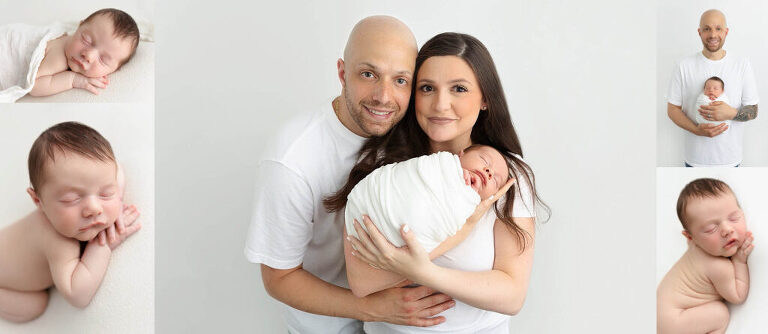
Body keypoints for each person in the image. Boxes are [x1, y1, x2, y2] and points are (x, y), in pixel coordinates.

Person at [244, 16, 458, 333]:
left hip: (398, 322)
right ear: (343, 73)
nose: (384, 96)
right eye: (368, 74)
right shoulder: (292, 160)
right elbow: (279, 279)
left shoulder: (419, 128)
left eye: (400, 80)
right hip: (328, 326)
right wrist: (372, 309)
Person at [328, 32, 545, 333]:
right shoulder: (384, 170)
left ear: (485, 98)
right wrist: (457, 235)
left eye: (458, 89)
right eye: (427, 88)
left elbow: (511, 295)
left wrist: (423, 272)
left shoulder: (504, 177)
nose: (441, 105)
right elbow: (363, 283)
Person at [0, 122, 141, 322]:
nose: (94, 208)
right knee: (33, 306)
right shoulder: (58, 241)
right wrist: (102, 246)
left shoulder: (98, 184)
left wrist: (117, 200)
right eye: (71, 200)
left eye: (105, 192)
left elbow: (116, 169)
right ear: (38, 201)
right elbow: (77, 294)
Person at [342, 145, 512, 297]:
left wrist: (423, 272)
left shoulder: (508, 189)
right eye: (484, 160)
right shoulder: (431, 164)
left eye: (495, 180)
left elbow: (512, 299)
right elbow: (361, 286)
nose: (489, 172)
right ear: (459, 154)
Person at [657, 178, 754, 334]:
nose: (727, 229)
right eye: (710, 229)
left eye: (734, 218)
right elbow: (738, 295)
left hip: (661, 314)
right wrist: (739, 261)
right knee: (720, 313)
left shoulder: (695, 246)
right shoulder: (717, 266)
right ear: (690, 237)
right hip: (673, 322)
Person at [666, 9, 759, 167]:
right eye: (707, 29)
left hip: (730, 160)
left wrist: (731, 113)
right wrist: (697, 130)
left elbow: (753, 110)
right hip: (695, 160)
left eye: (718, 28)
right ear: (699, 32)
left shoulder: (741, 64)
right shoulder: (683, 66)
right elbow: (672, 109)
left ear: (726, 31)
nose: (713, 35)